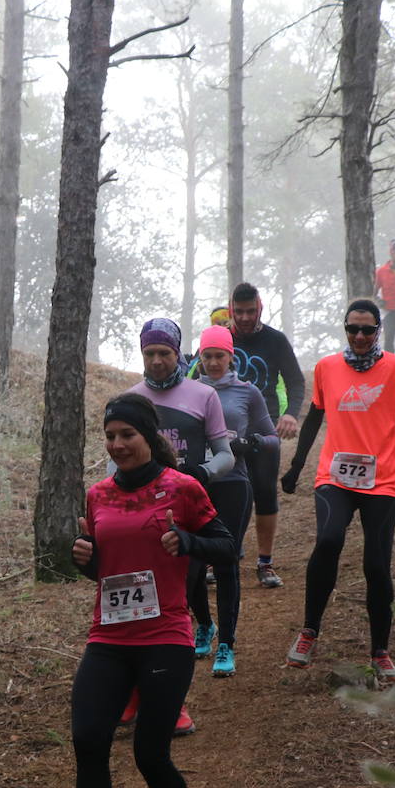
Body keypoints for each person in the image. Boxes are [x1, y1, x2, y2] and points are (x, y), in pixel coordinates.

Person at [67, 393, 234, 788]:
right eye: (110, 436)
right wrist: (85, 560)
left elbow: (226, 548)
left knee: (150, 754)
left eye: (127, 435)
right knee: (89, 742)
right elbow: (106, 569)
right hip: (109, 637)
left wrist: (188, 542)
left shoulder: (181, 489)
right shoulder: (97, 495)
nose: (117, 445)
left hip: (165, 636)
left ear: (149, 437)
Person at [279, 299, 395, 679]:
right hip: (335, 478)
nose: (360, 336)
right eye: (353, 329)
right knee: (329, 541)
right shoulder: (326, 368)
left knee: (376, 565)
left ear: (379, 330)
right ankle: (309, 631)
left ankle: (380, 651)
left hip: (382, 481)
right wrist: (296, 467)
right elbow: (315, 417)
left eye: (367, 329)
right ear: (344, 329)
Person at [126, 318, 234, 675]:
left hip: (194, 501)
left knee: (197, 573)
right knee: (157, 583)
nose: (156, 361)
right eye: (149, 353)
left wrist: (200, 473)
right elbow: (118, 459)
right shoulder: (132, 399)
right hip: (146, 506)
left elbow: (225, 454)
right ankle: (169, 648)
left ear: (178, 354)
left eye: (164, 353)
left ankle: (205, 643)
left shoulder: (203, 395)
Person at [188, 325, 278, 678]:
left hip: (234, 483)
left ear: (230, 357)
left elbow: (272, 438)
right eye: (207, 356)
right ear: (199, 356)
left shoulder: (247, 392)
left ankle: (226, 642)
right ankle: (205, 625)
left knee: (225, 562)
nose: (212, 362)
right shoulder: (189, 391)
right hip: (196, 485)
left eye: (219, 356)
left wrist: (249, 441)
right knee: (193, 563)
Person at [228, 283, 305, 588]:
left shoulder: (275, 340)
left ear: (260, 307)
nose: (245, 317)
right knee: (224, 492)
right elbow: (199, 373)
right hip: (224, 429)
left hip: (264, 427)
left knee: (263, 491)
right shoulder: (221, 336)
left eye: (251, 311)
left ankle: (265, 562)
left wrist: (290, 414)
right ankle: (221, 556)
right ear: (230, 308)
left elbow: (296, 382)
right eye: (239, 311)